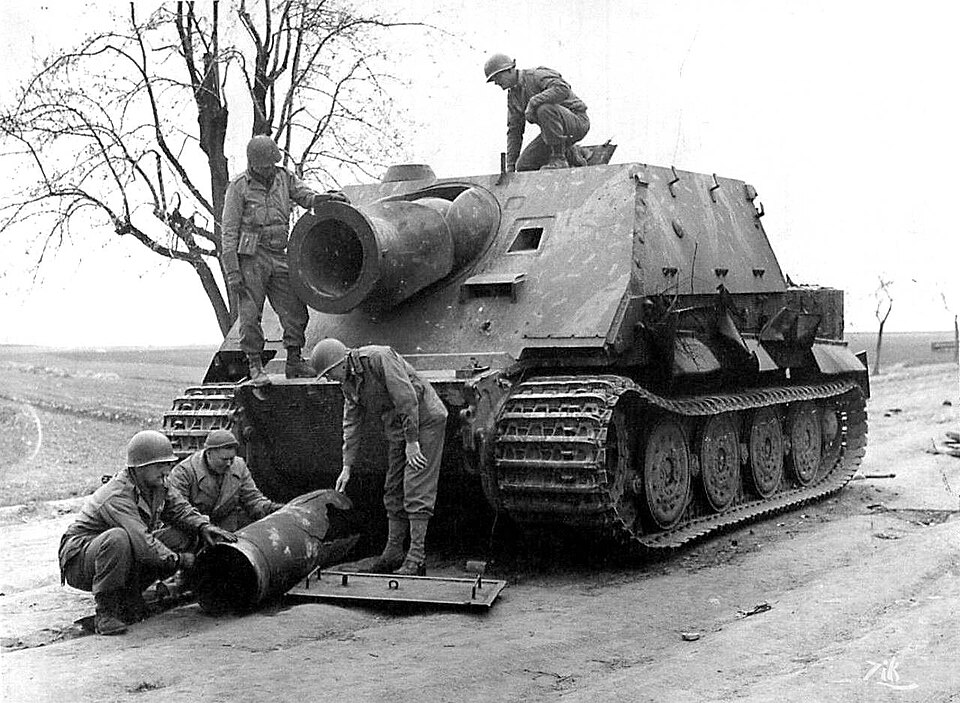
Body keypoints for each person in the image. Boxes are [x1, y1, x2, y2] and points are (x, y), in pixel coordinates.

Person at [58, 430, 236, 636]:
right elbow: (142, 543)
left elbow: (180, 509)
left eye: (167, 464)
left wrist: (203, 526)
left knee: (183, 534)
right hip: (82, 561)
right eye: (160, 466)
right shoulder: (117, 495)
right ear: (140, 467)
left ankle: (130, 596)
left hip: (119, 554)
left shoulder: (157, 484)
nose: (166, 470)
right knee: (118, 538)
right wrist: (179, 560)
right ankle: (106, 611)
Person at [309, 339, 448, 576]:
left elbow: (406, 398)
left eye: (329, 373)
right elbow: (351, 422)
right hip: (397, 427)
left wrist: (412, 442)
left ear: (340, 364)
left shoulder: (378, 358)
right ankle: (393, 552)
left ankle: (416, 558)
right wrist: (347, 466)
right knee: (393, 487)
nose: (329, 379)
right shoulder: (347, 381)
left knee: (416, 485)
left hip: (424, 420)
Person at [221, 134, 351, 386]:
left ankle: (294, 360)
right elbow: (228, 232)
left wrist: (322, 198)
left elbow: (304, 195)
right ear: (254, 164)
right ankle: (255, 365)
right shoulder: (239, 187)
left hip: (279, 253)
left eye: (273, 162)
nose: (270, 168)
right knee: (250, 315)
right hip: (251, 258)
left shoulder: (284, 178)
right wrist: (233, 271)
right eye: (266, 164)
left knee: (295, 309)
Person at [484, 52, 590, 171]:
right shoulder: (514, 97)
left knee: (544, 108)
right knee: (523, 166)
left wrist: (533, 102)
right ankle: (571, 154)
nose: (496, 82)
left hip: (577, 121)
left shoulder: (535, 75)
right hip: (554, 134)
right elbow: (514, 130)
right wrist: (510, 166)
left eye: (497, 77)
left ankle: (559, 159)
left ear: (509, 70)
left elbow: (562, 88)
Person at [168, 429, 284, 531]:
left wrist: (271, 509)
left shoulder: (238, 466)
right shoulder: (184, 472)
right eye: (224, 459)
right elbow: (178, 510)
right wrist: (202, 525)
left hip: (228, 528)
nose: (229, 464)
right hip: (194, 529)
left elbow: (252, 499)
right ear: (208, 453)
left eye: (231, 459)